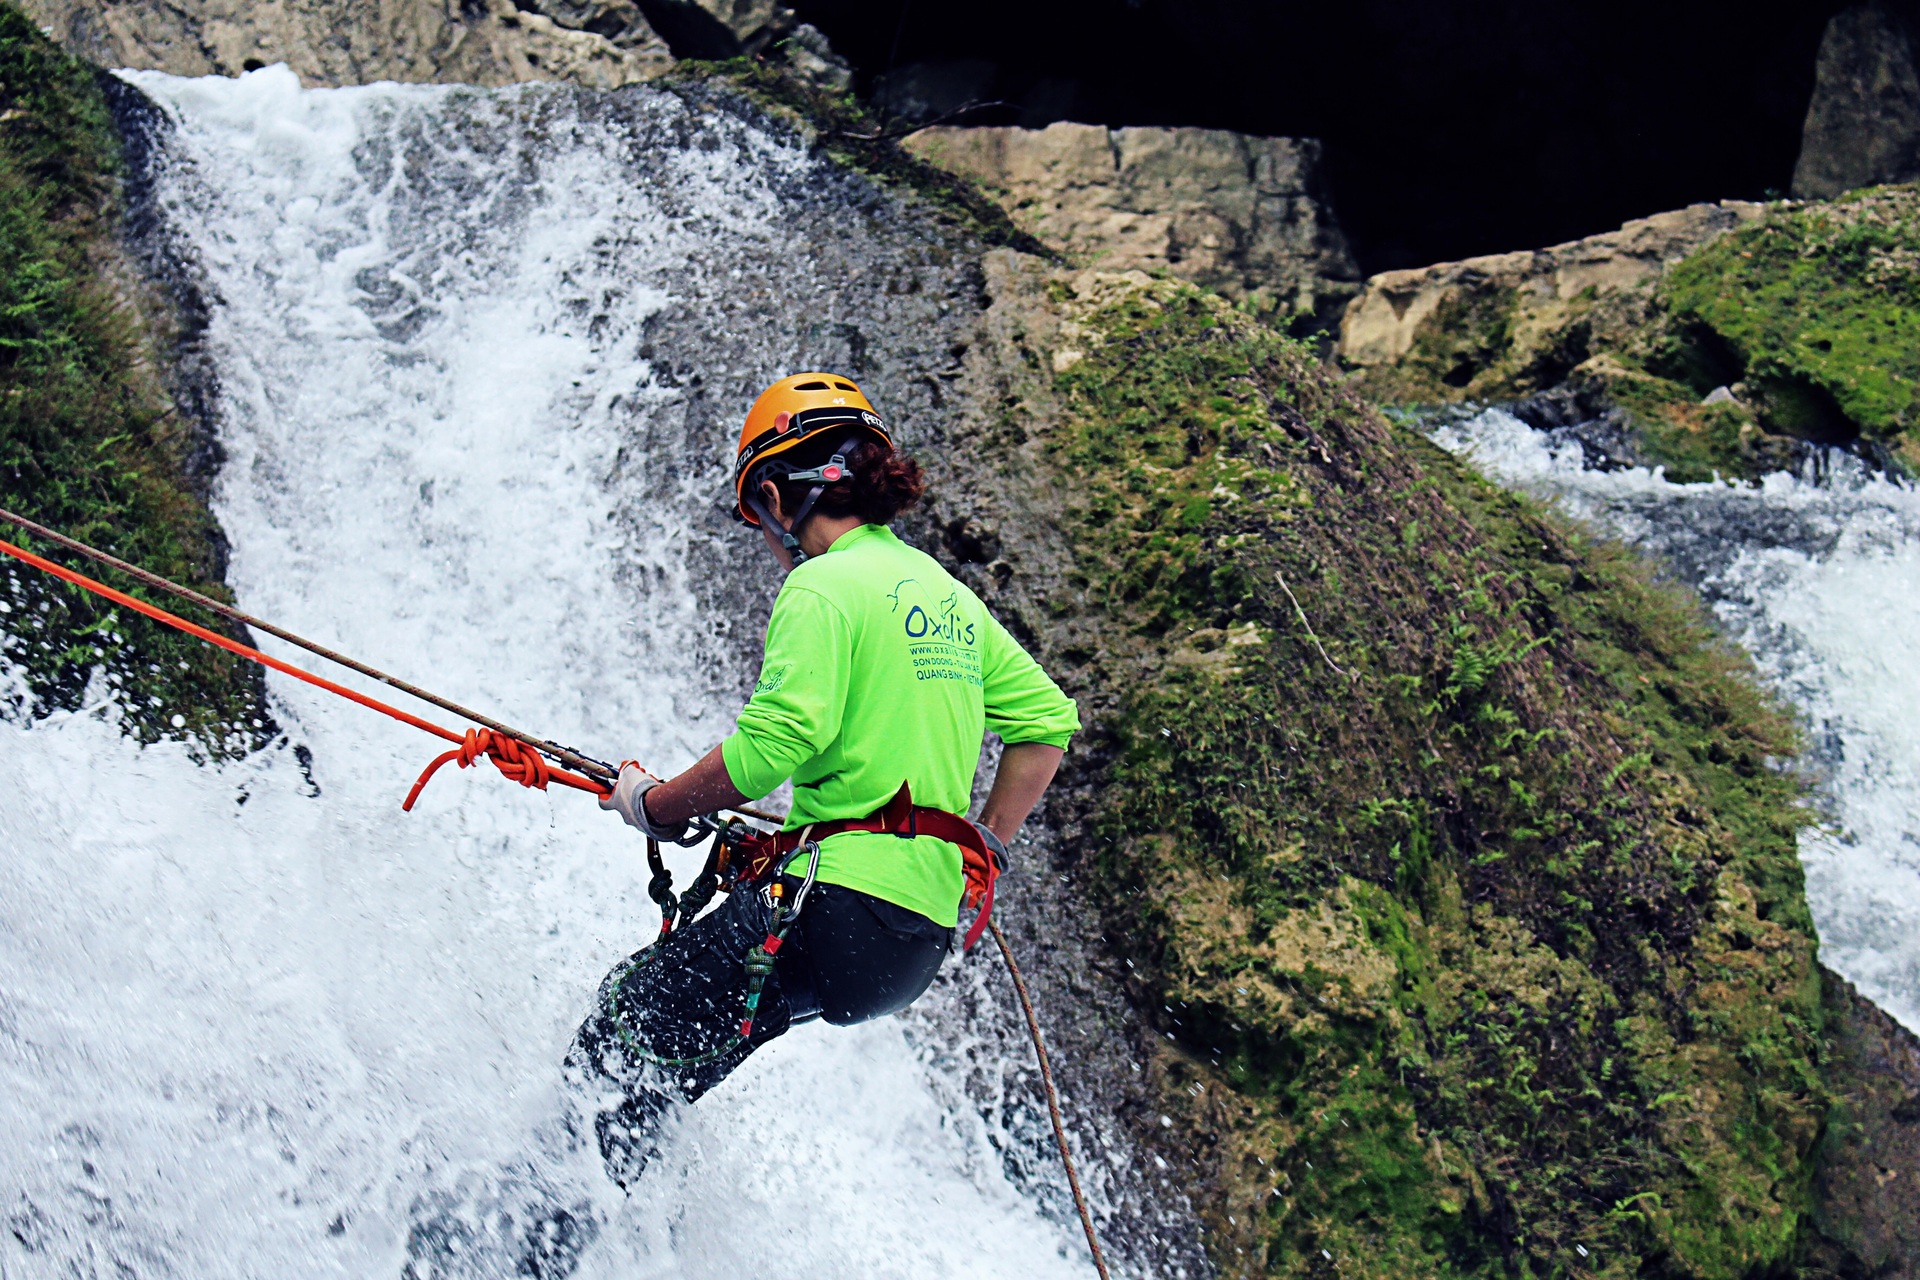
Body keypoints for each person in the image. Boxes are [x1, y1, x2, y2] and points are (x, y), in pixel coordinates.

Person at [567, 372, 1081, 1187]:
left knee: (613, 1040)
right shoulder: (949, 599)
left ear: (775, 493)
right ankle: (628, 1243)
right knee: (651, 1088)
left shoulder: (821, 586)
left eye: (755, 515)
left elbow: (778, 741)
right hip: (909, 945)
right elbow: (1046, 726)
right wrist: (980, 847)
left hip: (828, 907)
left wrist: (651, 804)